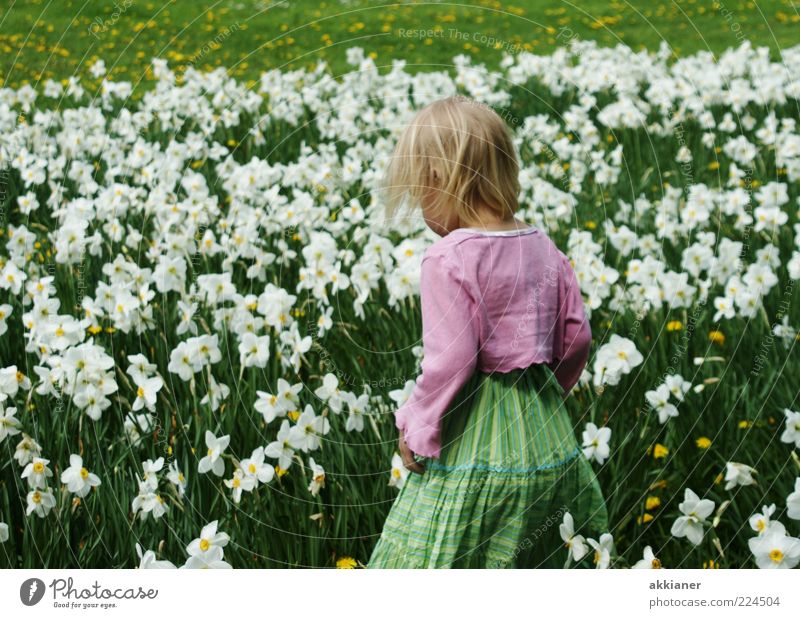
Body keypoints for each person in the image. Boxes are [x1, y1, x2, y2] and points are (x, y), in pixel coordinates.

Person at [367, 95, 610, 568]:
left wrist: (418, 426)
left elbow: (452, 360)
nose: (420, 205)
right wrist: (544, 393)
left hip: (475, 439)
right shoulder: (544, 246)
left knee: (443, 550)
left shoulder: (450, 257)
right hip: (547, 437)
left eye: (420, 191)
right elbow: (577, 337)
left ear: (443, 181)